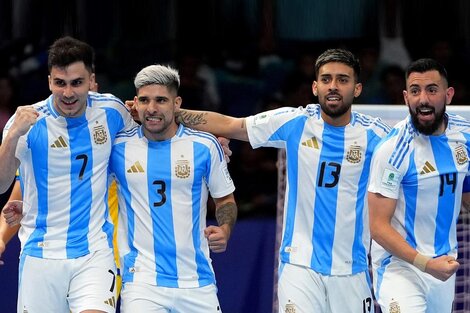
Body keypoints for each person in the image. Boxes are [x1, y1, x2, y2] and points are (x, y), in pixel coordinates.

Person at [174, 48, 391, 313]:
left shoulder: (378, 136)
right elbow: (234, 125)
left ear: (357, 89)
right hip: (299, 266)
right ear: (315, 86)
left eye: (342, 80)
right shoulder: (295, 122)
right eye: (326, 79)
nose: (333, 86)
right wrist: (166, 111)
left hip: (352, 269)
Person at [0, 36, 137, 313]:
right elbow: (4, 184)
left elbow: (153, 132)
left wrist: (212, 140)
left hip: (94, 254)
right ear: (50, 81)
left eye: (77, 82)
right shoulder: (26, 122)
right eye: (60, 83)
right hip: (40, 255)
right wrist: (13, 136)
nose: (68, 93)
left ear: (91, 80)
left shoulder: (112, 112)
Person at [109, 64, 237, 312]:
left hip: (197, 281)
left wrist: (225, 229)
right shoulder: (118, 147)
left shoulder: (205, 146)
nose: (152, 108)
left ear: (177, 103)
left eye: (161, 100)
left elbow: (225, 199)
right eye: (145, 100)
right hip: (142, 282)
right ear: (135, 103)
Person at [368, 58, 468, 312]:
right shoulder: (392, 150)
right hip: (399, 266)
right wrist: (425, 264)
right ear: (405, 97)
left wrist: (435, 266)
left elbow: (465, 192)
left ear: (448, 94)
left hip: (444, 263)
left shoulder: (465, 137)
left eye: (432, 90)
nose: (422, 99)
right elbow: (378, 227)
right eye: (415, 91)